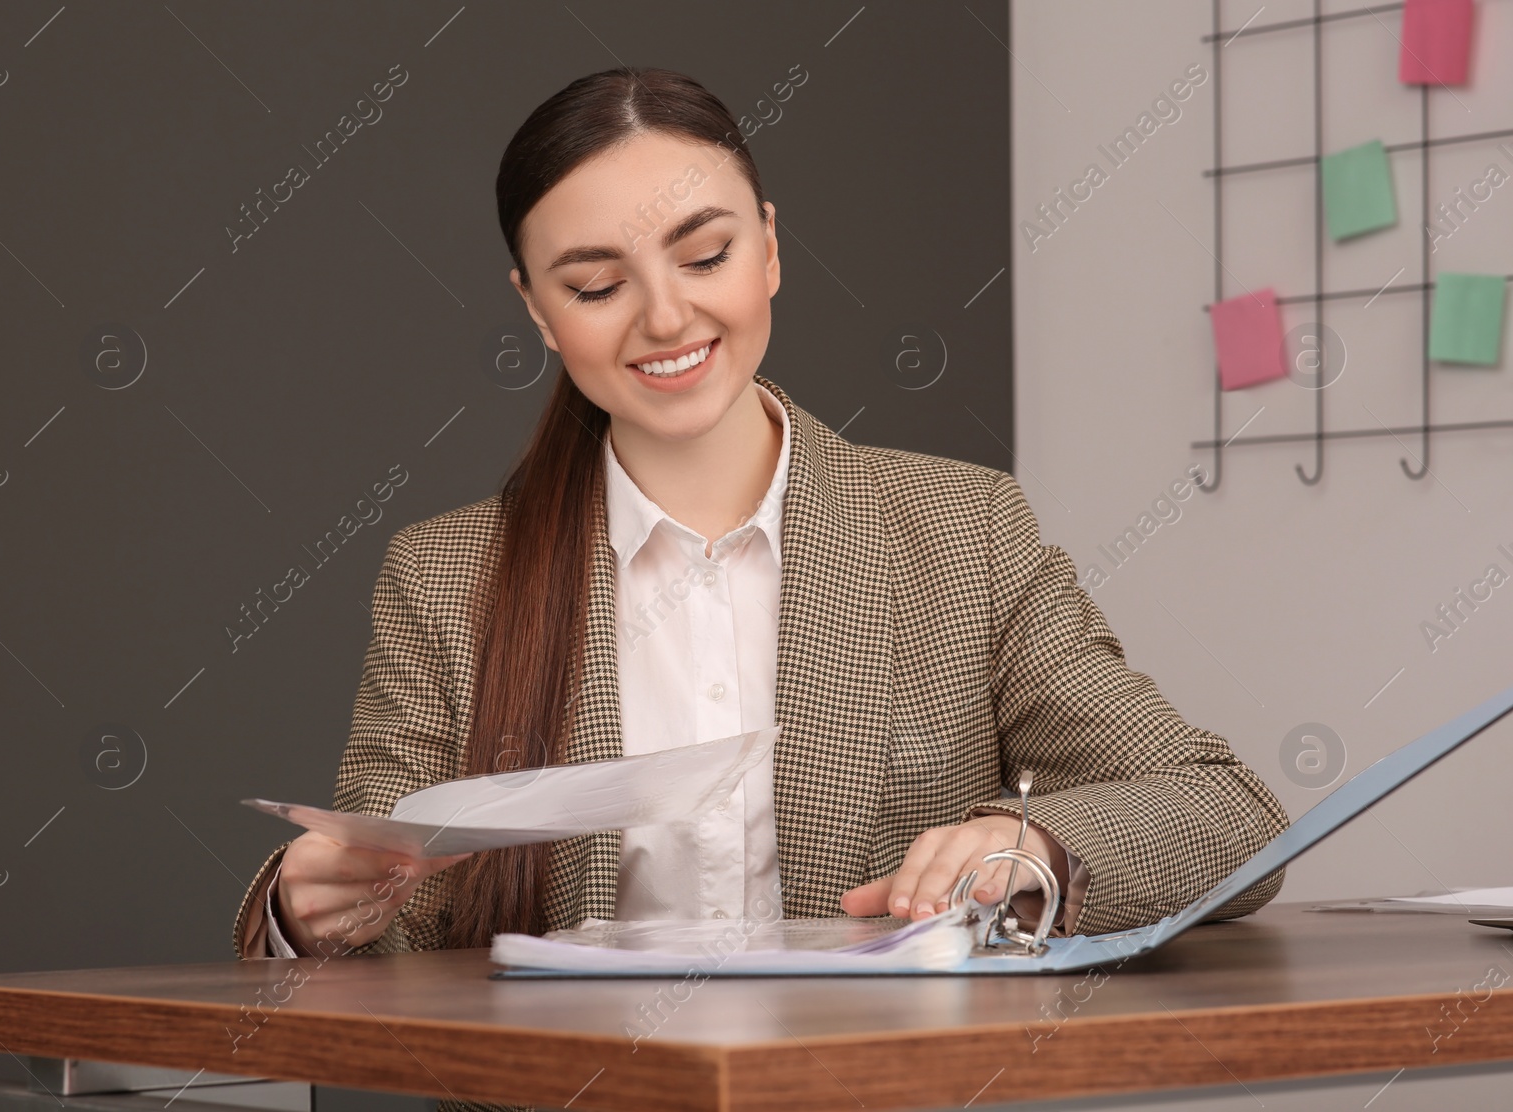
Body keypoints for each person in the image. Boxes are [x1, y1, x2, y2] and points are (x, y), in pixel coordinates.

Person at [233, 67, 1288, 977]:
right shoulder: (445, 574)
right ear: (539, 312)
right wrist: (305, 908)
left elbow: (1229, 816)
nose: (665, 316)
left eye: (703, 257)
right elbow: (394, 930)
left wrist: (1035, 847)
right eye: (597, 285)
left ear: (770, 250)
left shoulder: (962, 532)